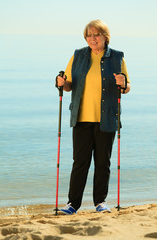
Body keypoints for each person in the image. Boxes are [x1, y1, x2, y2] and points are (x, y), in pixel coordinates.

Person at [56, 19, 131, 215]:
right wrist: (61, 83)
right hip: (81, 117)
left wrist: (123, 83)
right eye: (89, 35)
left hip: (106, 118)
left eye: (96, 34)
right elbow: (69, 84)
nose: (92, 38)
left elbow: (126, 87)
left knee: (102, 162)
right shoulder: (78, 55)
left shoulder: (117, 58)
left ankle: (100, 202)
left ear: (105, 37)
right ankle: (73, 204)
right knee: (80, 162)